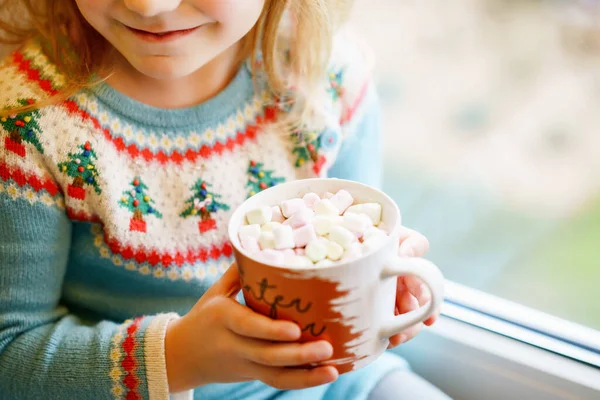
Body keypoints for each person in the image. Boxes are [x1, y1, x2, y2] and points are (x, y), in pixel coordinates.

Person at [0, 1, 451, 399]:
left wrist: (379, 285)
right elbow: (9, 354)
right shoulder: (26, 125)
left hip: (335, 382)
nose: (149, 5)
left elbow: (350, 231)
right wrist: (176, 358)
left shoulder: (325, 72)